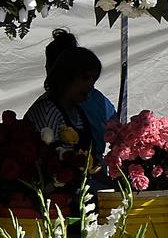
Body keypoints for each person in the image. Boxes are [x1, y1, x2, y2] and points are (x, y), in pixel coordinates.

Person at [26, 34, 107, 162]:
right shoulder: (48, 111)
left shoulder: (77, 111)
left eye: (94, 80)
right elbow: (46, 162)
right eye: (85, 78)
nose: (90, 85)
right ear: (66, 76)